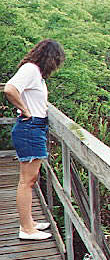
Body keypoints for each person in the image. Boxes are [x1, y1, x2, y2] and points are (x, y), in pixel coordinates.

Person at [4, 39, 65, 240]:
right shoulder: (30, 69)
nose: (56, 66)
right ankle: (26, 229)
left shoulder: (36, 73)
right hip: (30, 127)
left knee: (30, 179)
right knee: (26, 181)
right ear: (50, 57)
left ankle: (29, 222)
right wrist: (25, 110)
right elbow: (10, 89)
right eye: (57, 60)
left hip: (34, 127)